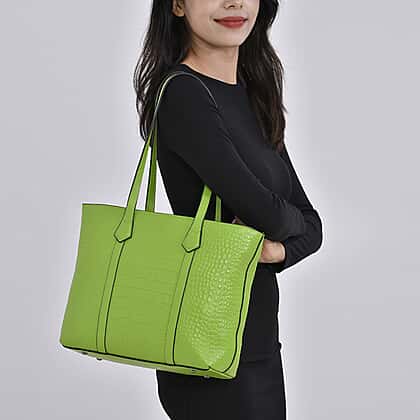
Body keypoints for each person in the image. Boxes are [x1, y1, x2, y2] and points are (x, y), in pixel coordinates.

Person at [134, 1, 323, 418]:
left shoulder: (253, 95)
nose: (234, 2)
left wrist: (278, 250)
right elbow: (271, 215)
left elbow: (313, 226)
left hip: (256, 343)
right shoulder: (183, 94)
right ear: (177, 5)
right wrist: (283, 225)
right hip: (208, 351)